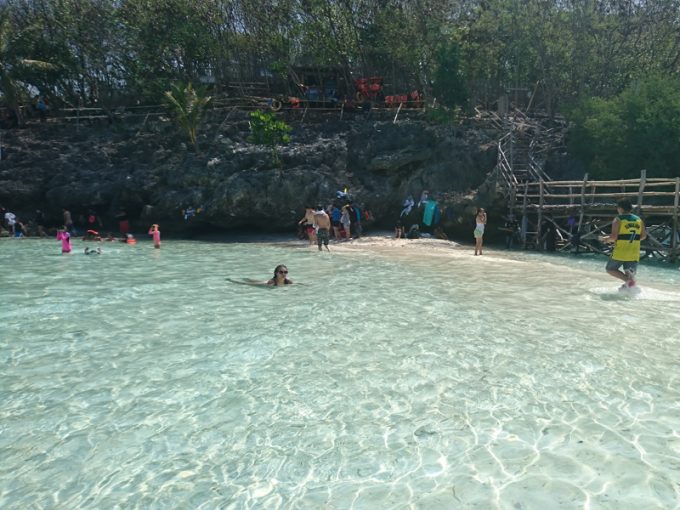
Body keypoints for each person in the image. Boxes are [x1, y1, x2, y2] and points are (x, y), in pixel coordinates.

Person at [600, 198, 646, 290]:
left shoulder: (618, 219)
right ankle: (629, 291)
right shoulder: (638, 220)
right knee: (629, 272)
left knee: (610, 269)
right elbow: (643, 236)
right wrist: (631, 240)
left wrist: (606, 240)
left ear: (620, 208)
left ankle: (628, 282)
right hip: (634, 251)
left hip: (621, 250)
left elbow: (613, 237)